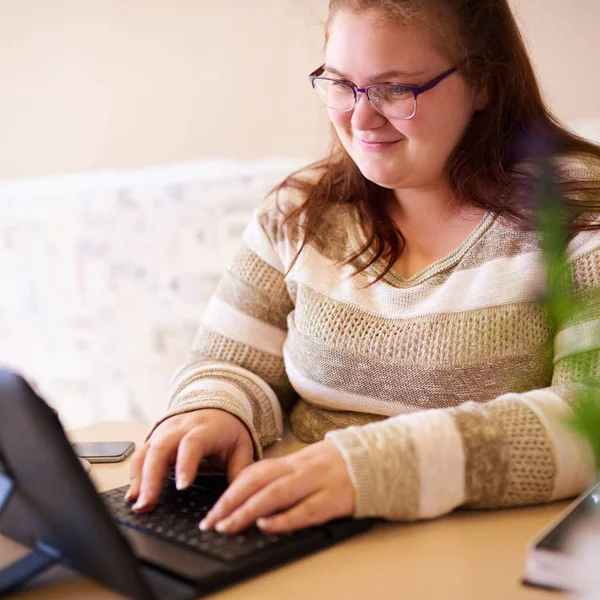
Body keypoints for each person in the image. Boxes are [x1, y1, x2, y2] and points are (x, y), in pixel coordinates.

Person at [126, 0, 600, 536]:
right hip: (299, 535)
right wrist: (214, 412)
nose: (360, 117)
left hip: (475, 555)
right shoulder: (300, 212)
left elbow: (589, 421)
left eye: (395, 89)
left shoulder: (578, 216)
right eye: (340, 83)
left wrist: (371, 468)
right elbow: (229, 364)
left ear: (483, 83)